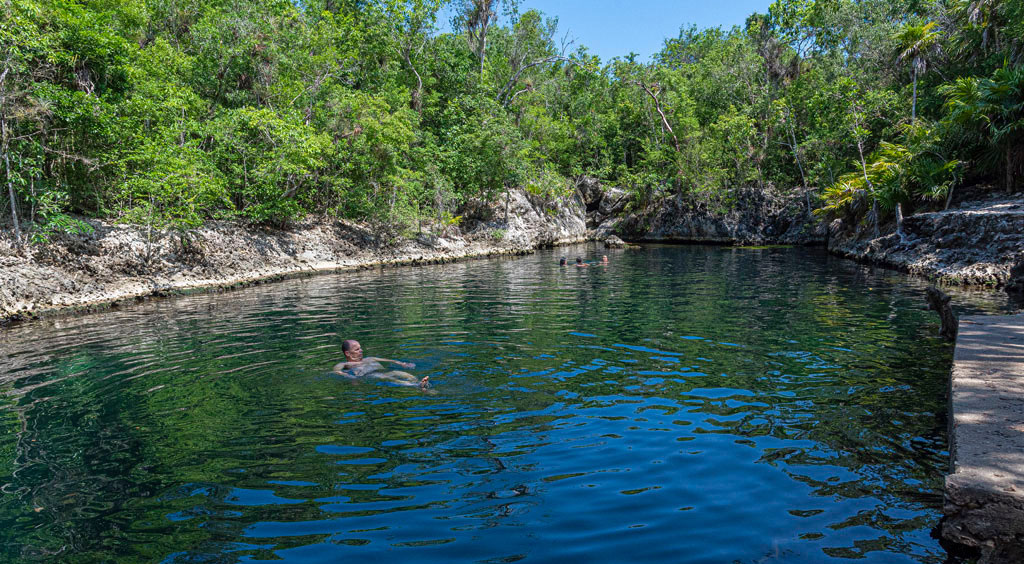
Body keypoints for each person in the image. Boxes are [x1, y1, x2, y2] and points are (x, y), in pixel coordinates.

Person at [332, 339, 429, 389]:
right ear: (347, 353)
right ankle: (415, 385)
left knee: (397, 372)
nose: (361, 351)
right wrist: (350, 377)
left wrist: (402, 363)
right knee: (387, 377)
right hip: (371, 375)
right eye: (357, 349)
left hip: (384, 371)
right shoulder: (344, 364)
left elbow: (390, 361)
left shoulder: (369, 358)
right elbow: (337, 371)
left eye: (360, 348)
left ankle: (419, 382)